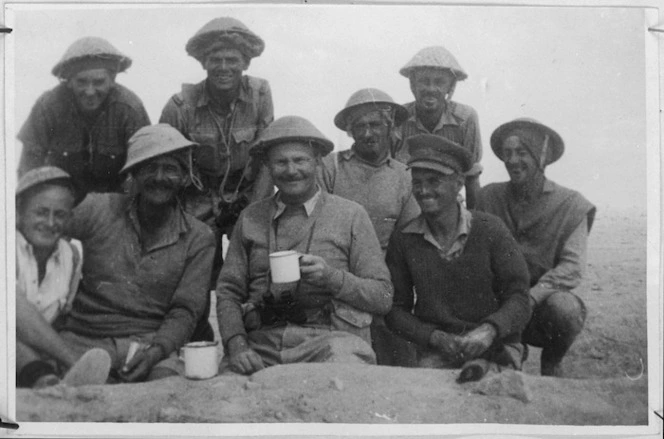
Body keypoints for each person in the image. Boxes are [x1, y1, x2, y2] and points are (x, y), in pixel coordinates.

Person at [216, 116, 393, 375]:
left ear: (318, 162)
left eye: (300, 160)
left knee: (346, 386)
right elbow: (228, 292)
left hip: (331, 344)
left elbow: (383, 296)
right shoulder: (251, 218)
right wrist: (237, 345)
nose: (291, 170)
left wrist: (332, 278)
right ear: (267, 166)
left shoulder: (351, 215)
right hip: (262, 345)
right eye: (281, 162)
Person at [56, 124, 215, 383]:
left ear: (184, 178)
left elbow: (185, 310)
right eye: (150, 168)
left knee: (167, 387)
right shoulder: (98, 209)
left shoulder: (199, 237)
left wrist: (156, 352)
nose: (160, 177)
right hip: (84, 339)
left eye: (171, 169)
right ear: (134, 174)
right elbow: (46, 230)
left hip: (150, 344)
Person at [385, 134, 531, 381]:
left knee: (495, 389)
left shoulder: (491, 229)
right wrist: (434, 337)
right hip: (439, 349)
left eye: (434, 181)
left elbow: (519, 296)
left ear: (459, 183)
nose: (423, 191)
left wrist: (489, 330)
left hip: (496, 345)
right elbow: (395, 309)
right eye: (417, 182)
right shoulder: (404, 239)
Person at [476, 118, 596, 377]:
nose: (513, 161)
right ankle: (504, 353)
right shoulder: (488, 197)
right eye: (507, 153)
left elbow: (572, 268)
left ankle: (551, 364)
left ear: (541, 156)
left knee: (566, 309)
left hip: (538, 307)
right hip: (496, 303)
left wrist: (531, 298)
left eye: (522, 152)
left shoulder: (571, 204)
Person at [160, 17, 275, 285]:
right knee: (195, 271)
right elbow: (163, 161)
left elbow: (268, 154)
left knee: (254, 267)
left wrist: (256, 213)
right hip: (198, 195)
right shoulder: (180, 106)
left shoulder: (260, 94)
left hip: (247, 193)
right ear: (204, 63)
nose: (223, 67)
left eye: (232, 60)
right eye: (215, 59)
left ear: (245, 64)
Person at [318, 88, 419, 366]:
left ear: (390, 127)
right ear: (349, 132)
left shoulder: (404, 177)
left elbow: (408, 239)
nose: (367, 133)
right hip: (335, 276)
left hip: (385, 281)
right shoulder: (330, 167)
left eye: (375, 125)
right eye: (359, 126)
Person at [16, 166, 112, 388]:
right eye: (40, 212)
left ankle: (48, 380)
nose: (50, 223)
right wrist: (71, 359)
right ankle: (48, 375)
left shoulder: (71, 256)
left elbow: (60, 318)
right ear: (19, 210)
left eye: (59, 214)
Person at [18, 37, 150, 194]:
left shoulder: (130, 109)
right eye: (81, 82)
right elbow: (29, 165)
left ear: (112, 80)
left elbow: (145, 166)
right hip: (61, 201)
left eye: (99, 82)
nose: (90, 91)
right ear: (68, 81)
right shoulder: (48, 107)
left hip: (112, 205)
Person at [393, 46, 483, 208]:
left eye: (439, 82)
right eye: (424, 81)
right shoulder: (398, 118)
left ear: (450, 87)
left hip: (449, 210)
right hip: (405, 207)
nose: (431, 89)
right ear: (412, 85)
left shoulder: (465, 119)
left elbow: (472, 177)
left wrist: (473, 223)